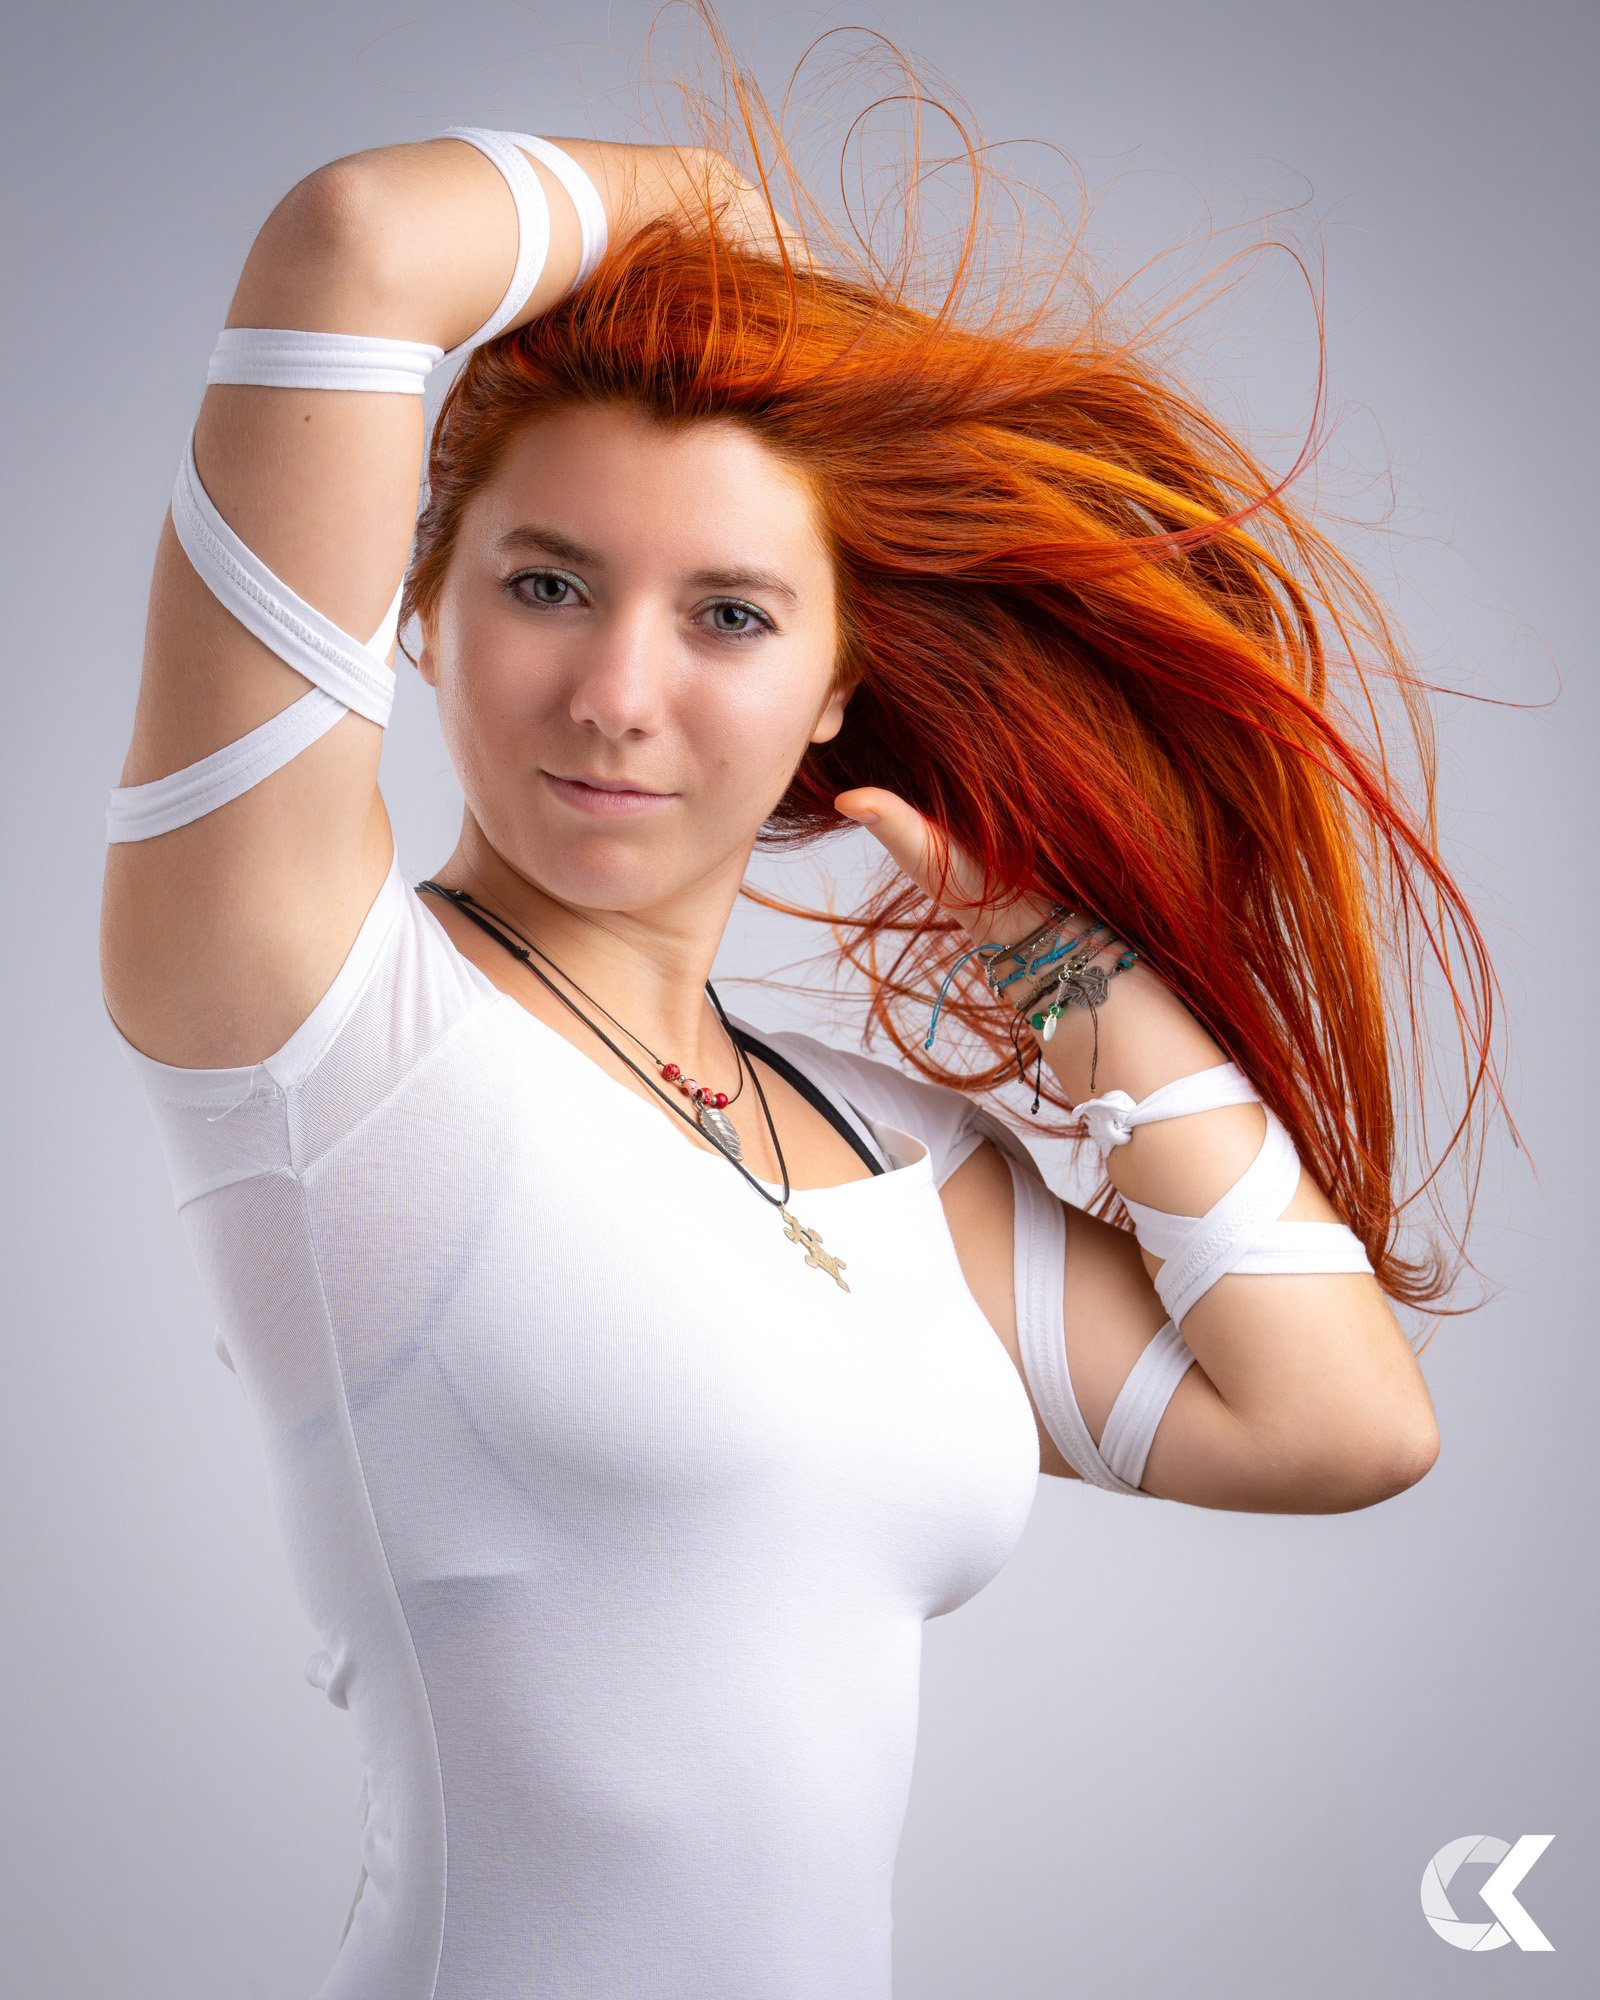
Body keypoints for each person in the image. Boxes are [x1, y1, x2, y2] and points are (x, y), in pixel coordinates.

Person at [98, 47, 1488, 1997]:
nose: (615, 690)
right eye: (546, 582)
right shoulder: (312, 1020)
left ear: (837, 686)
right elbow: (355, 241)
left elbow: (1340, 1422)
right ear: (421, 611)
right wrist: (706, 206)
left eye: (729, 615)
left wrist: (1059, 976)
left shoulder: (879, 1157)